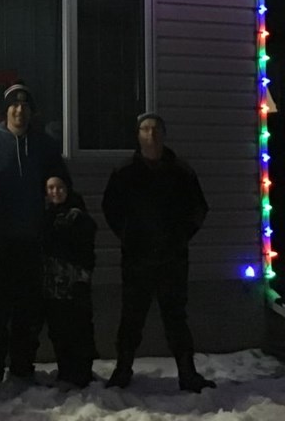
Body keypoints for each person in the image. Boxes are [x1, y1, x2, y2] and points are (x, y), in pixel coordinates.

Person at [101, 112, 216, 392]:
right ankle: (122, 370)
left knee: (176, 318)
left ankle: (187, 373)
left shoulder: (181, 172)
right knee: (131, 318)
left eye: (156, 130)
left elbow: (199, 209)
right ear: (138, 135)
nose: (151, 135)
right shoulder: (125, 172)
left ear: (164, 135)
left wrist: (179, 238)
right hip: (137, 259)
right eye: (145, 129)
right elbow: (110, 208)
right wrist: (129, 237)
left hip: (172, 259)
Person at [0, 81, 71, 383]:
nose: (19, 111)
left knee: (27, 314)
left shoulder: (44, 146)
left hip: (32, 243)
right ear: (5, 111)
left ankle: (22, 369)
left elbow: (62, 187)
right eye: (14, 105)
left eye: (25, 106)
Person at [41, 175, 98, 388]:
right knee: (58, 329)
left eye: (60, 187)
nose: (55, 192)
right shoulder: (46, 216)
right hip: (52, 284)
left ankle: (82, 373)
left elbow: (87, 254)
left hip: (74, 284)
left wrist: (82, 279)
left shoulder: (78, 217)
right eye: (50, 188)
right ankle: (65, 371)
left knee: (79, 328)